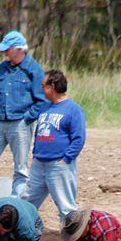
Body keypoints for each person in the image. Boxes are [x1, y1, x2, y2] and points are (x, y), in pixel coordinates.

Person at [0, 30, 47, 218]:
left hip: (20, 123)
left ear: (19, 50)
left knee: (20, 168)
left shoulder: (34, 70)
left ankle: (16, 207)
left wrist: (28, 118)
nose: (4, 53)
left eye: (7, 49)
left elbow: (42, 99)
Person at [25, 69, 86, 220]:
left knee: (66, 207)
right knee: (27, 202)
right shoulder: (45, 107)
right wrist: (35, 153)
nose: (41, 89)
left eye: (43, 85)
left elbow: (79, 138)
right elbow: (39, 131)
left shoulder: (73, 109)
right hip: (39, 163)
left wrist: (66, 159)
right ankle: (21, 234)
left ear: (52, 86)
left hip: (59, 164)